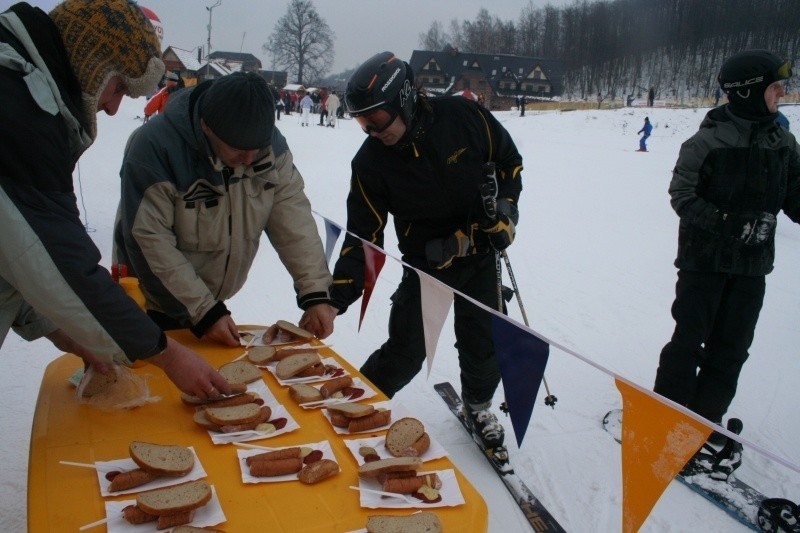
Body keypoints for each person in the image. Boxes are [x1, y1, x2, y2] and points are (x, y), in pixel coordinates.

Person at [0, 0, 231, 400]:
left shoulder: (20, 92)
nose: (112, 108)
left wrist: (64, 331)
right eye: (119, 86)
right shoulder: (17, 112)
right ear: (91, 62)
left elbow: (14, 258)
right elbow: (58, 264)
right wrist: (168, 355)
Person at [330, 52, 523, 449]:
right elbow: (363, 238)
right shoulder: (371, 163)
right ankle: (357, 405)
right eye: (362, 124)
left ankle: (478, 404)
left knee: (483, 341)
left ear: (403, 99)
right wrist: (335, 298)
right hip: (427, 266)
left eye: (377, 121)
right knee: (405, 350)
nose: (372, 132)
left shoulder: (464, 118)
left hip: (481, 252)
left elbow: (508, 163)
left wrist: (505, 212)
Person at [114, 72, 337, 347]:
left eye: (256, 149)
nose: (248, 160)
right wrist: (204, 311)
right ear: (207, 127)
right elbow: (150, 239)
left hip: (208, 305)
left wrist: (315, 291)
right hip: (148, 303)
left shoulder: (268, 147)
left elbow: (293, 217)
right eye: (239, 150)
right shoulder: (155, 147)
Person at [653, 50, 800, 443]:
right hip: (703, 264)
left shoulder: (783, 143)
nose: (781, 92)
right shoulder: (705, 143)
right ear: (750, 92)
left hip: (752, 269)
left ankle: (703, 423)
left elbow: (796, 199)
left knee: (732, 348)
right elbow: (682, 196)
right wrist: (729, 224)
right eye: (774, 87)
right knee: (689, 342)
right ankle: (665, 417)